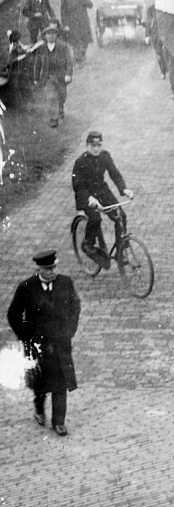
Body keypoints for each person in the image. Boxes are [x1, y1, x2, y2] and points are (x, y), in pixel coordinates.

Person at [7, 249, 80, 437]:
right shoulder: (27, 287)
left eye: (54, 267)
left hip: (60, 344)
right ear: (39, 269)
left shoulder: (65, 282)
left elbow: (75, 307)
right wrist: (26, 336)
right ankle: (39, 409)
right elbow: (14, 314)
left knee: (60, 384)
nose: (52, 271)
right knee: (40, 384)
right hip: (38, 346)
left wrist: (69, 331)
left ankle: (59, 422)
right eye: (48, 269)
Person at [71, 130, 134, 265]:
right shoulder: (80, 162)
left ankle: (119, 251)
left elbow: (114, 174)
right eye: (93, 146)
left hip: (102, 191)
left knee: (121, 216)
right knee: (95, 218)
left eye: (99, 145)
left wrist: (124, 189)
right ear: (87, 146)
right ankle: (88, 244)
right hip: (86, 194)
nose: (96, 149)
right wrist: (89, 198)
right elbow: (78, 185)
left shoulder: (105, 156)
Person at [37, 23, 74, 127]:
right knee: (51, 97)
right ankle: (54, 118)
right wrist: (36, 78)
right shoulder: (42, 48)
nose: (51, 36)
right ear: (45, 36)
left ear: (56, 35)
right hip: (48, 76)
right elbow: (38, 63)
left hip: (61, 76)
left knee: (61, 96)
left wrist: (68, 74)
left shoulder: (63, 46)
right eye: (48, 34)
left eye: (53, 34)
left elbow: (69, 61)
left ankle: (60, 109)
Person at [59, 0, 93, 64]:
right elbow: (63, 13)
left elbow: (90, 5)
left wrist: (84, 0)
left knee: (85, 41)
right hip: (73, 24)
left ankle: (83, 56)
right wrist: (65, 25)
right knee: (75, 42)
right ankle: (77, 60)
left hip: (84, 22)